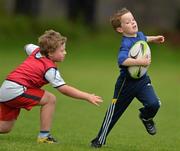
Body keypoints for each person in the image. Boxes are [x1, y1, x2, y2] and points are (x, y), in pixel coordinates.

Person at [0, 29, 103, 144]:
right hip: (16, 90)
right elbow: (64, 89)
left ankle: (44, 136)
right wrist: (87, 96)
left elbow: (27, 46)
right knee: (50, 99)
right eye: (62, 50)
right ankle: (44, 136)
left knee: (5, 127)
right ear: (50, 53)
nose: (65, 53)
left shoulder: (36, 51)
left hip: (5, 89)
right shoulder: (49, 68)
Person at [90, 8, 165, 148]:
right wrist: (140, 62)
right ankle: (99, 139)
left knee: (154, 104)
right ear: (120, 29)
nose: (133, 23)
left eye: (133, 20)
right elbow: (122, 60)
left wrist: (155, 39)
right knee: (114, 113)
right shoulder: (125, 43)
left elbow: (144, 38)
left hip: (142, 81)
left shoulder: (139, 35)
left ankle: (146, 117)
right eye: (128, 22)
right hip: (126, 84)